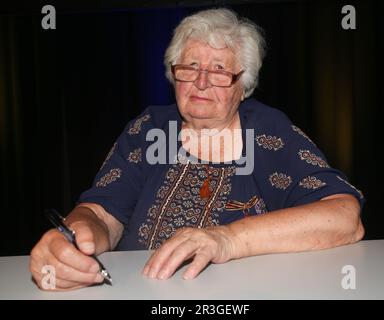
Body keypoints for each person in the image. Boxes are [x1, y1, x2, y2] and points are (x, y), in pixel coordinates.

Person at [30, 8, 365, 291]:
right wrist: (74, 239)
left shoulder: (268, 131)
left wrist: (228, 239)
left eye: (219, 70)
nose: (201, 82)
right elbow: (102, 213)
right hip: (138, 292)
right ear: (174, 76)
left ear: (243, 85)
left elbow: (344, 218)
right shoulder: (149, 128)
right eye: (190, 67)